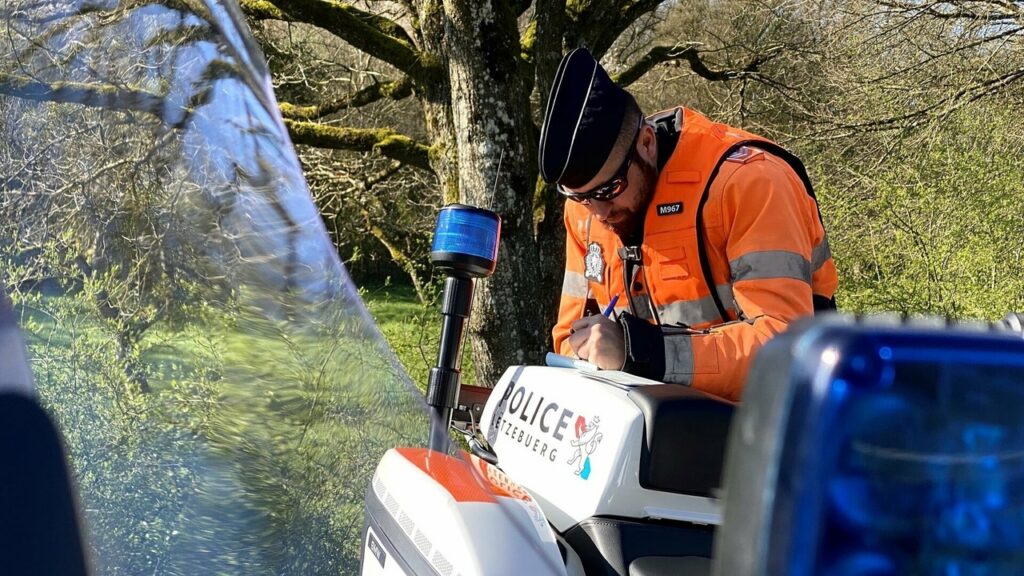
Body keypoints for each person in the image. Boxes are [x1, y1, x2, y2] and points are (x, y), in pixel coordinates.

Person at [538, 48, 838, 402]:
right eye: (582, 197)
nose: (599, 211)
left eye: (610, 189)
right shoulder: (583, 214)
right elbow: (569, 339)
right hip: (658, 428)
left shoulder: (751, 182)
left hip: (780, 426)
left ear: (647, 143)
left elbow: (786, 353)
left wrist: (640, 352)